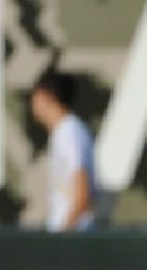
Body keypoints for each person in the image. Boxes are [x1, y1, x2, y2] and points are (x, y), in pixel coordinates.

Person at [29, 70, 98, 232]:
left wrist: (63, 236)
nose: (32, 103)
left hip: (74, 237)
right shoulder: (63, 132)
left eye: (35, 95)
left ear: (46, 96)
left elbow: (82, 194)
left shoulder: (70, 133)